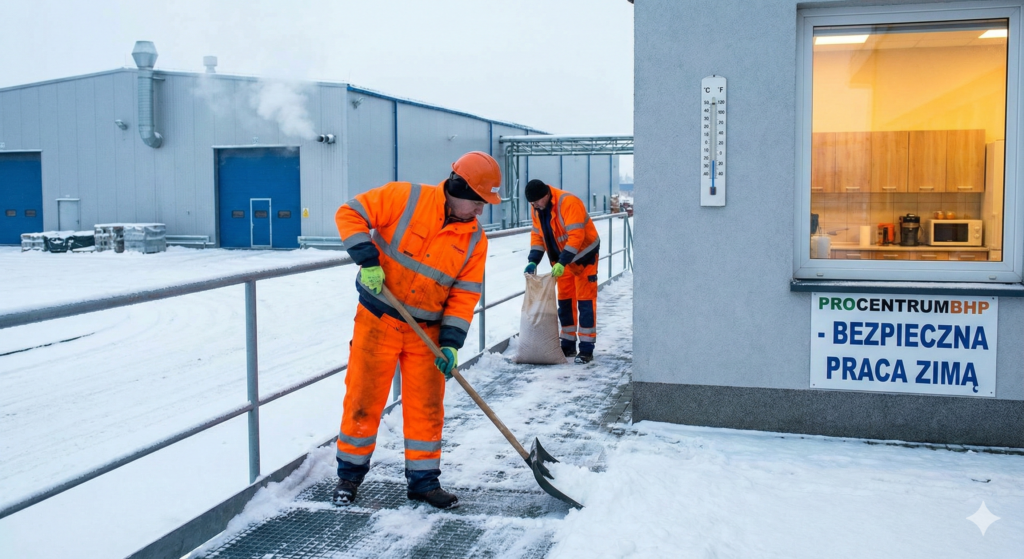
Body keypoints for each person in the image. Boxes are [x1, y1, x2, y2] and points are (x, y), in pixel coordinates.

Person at [332, 151, 502, 509]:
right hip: (378, 318)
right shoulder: (405, 197)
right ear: (460, 189)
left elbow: (464, 294)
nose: (481, 210)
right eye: (479, 201)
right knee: (364, 399)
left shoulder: (475, 240)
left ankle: (424, 482)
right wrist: (367, 260)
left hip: (428, 333)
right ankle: (349, 477)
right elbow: (350, 212)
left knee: (426, 408)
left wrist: (452, 343)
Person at [523, 179, 600, 364]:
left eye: (536, 202)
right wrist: (533, 260)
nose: (534, 206)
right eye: (531, 204)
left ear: (547, 195)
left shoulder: (568, 203)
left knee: (585, 301)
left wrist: (562, 261)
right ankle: (568, 344)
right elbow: (537, 235)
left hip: (584, 257)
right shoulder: (538, 209)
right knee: (565, 301)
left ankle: (586, 349)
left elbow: (576, 237)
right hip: (562, 261)